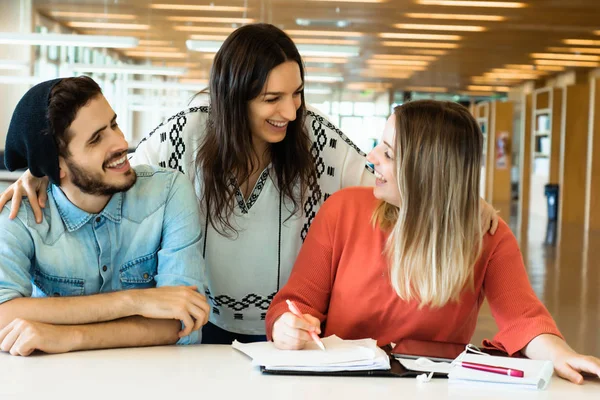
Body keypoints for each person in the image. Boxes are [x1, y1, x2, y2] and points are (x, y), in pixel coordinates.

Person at [0, 24, 498, 344]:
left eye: (297, 94)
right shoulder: (190, 129)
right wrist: (39, 169)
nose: (290, 111)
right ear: (233, 100)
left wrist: (461, 198)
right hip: (203, 323)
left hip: (288, 327)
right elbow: (103, 165)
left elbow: (394, 176)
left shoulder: (315, 137)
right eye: (270, 99)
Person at [266, 100, 600, 384]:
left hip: (432, 386)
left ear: (425, 170)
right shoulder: (343, 210)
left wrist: (561, 354)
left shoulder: (487, 236)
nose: (371, 157)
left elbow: (523, 320)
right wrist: (286, 326)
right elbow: (296, 303)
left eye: (389, 153)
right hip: (342, 382)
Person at [0, 76, 210, 357]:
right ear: (58, 166)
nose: (121, 142)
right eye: (96, 139)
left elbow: (185, 321)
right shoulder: (21, 214)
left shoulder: (169, 192)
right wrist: (134, 302)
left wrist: (69, 336)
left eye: (114, 124)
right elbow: (3, 316)